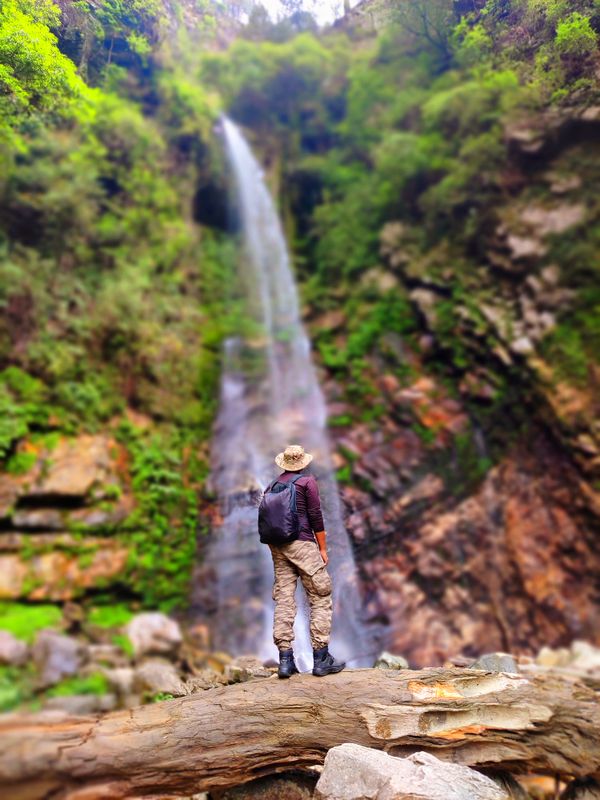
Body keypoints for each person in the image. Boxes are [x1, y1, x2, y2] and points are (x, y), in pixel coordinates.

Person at [267, 444, 346, 679]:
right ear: (303, 463)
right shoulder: (306, 482)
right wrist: (322, 548)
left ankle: (285, 660)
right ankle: (321, 659)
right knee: (320, 595)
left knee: (284, 598)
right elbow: (315, 515)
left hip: (278, 546)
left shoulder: (272, 486)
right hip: (302, 544)